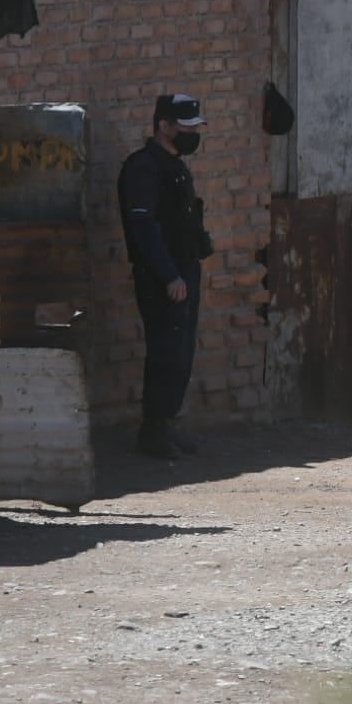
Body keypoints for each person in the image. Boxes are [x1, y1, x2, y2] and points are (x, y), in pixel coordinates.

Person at [116, 93, 212, 459]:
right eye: (183, 128)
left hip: (184, 271)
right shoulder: (143, 168)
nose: (190, 135)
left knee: (181, 352)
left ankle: (166, 425)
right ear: (163, 126)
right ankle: (152, 431)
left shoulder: (174, 165)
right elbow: (144, 229)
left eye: (194, 127)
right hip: (163, 277)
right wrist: (169, 275)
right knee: (165, 353)